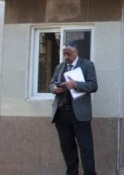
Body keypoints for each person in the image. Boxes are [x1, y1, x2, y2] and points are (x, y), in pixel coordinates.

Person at [49, 41, 99, 175]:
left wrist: (75, 84)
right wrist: (55, 89)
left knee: (86, 147)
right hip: (62, 113)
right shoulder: (60, 67)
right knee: (67, 148)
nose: (66, 57)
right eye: (64, 54)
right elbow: (51, 83)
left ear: (76, 52)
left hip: (79, 114)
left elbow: (93, 86)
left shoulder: (87, 65)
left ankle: (89, 173)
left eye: (68, 54)